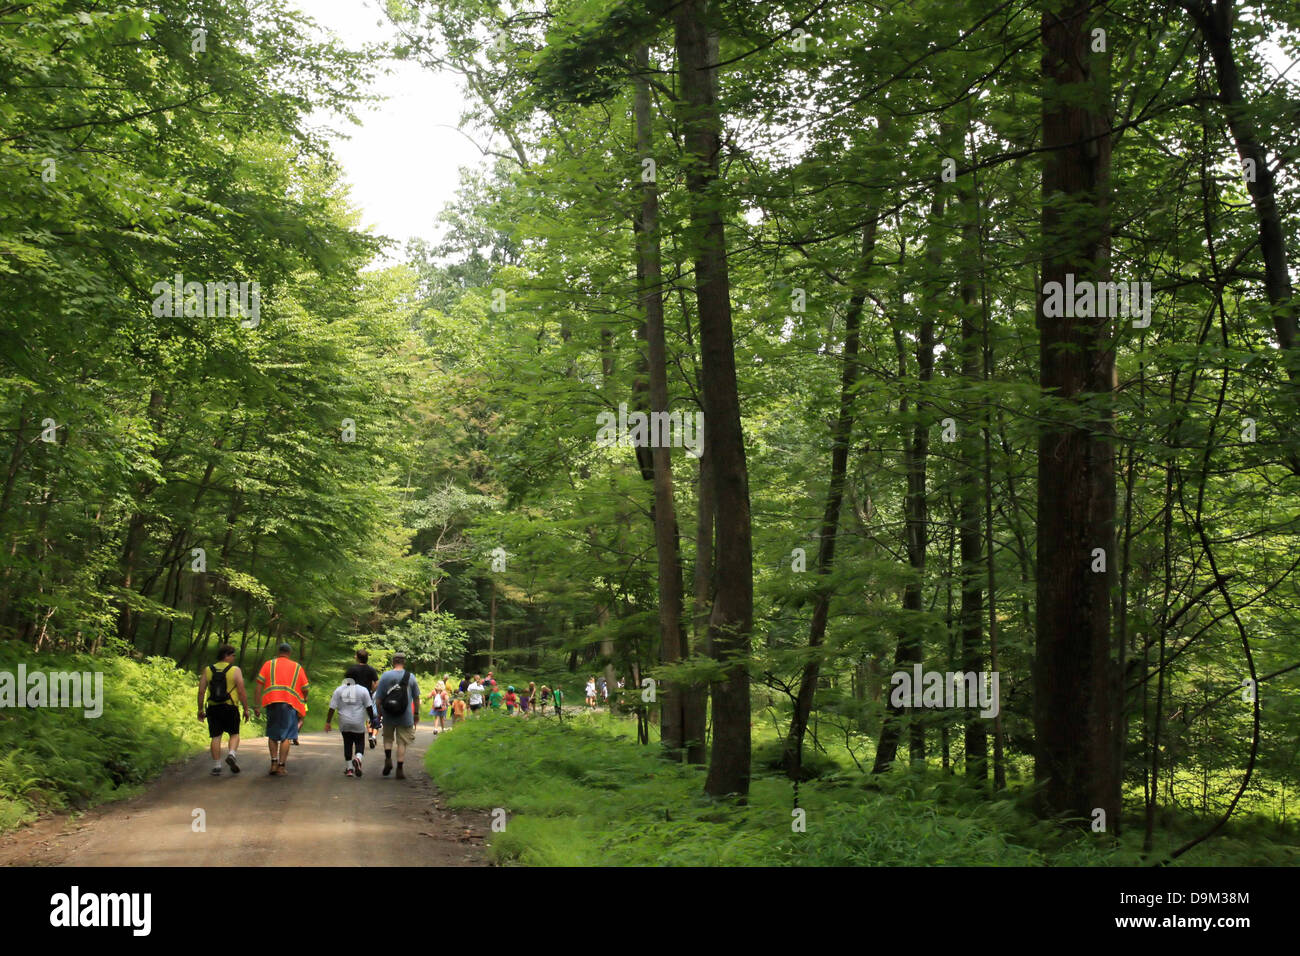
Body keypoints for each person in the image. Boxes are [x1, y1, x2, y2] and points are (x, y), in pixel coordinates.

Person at [254, 643, 309, 776]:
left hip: (272, 702)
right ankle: (281, 766)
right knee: (286, 736)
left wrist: (257, 705)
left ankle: (273, 763)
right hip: (289, 704)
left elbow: (258, 686)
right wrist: (304, 699)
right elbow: (305, 688)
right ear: (289, 653)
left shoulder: (269, 664)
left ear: (279, 652)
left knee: (273, 733)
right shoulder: (297, 667)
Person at [197, 644, 250, 775]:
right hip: (230, 706)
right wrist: (246, 709)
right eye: (232, 655)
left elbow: (201, 691)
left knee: (215, 736)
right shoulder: (235, 670)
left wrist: (200, 709)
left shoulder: (208, 670)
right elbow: (242, 691)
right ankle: (231, 754)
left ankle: (216, 766)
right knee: (234, 733)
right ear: (226, 655)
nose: (233, 658)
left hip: (213, 707)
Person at [373, 652, 420, 779]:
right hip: (405, 715)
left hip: (388, 712)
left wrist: (379, 713)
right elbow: (416, 698)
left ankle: (388, 759)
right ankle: (400, 768)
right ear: (404, 662)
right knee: (402, 742)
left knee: (388, 739)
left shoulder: (385, 676)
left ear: (393, 662)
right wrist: (416, 713)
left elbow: (378, 698)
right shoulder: (411, 677)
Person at [324, 675, 377, 777]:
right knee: (359, 743)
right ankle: (358, 758)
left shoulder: (339, 690)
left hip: (344, 722)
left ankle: (349, 769)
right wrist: (372, 719)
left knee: (347, 743)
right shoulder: (363, 690)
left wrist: (328, 722)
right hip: (358, 722)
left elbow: (331, 708)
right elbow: (369, 707)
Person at [345, 649, 380, 749]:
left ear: (358, 657)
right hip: (366, 695)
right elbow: (377, 682)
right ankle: (371, 736)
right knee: (370, 715)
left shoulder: (351, 669)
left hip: (354, 696)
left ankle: (355, 737)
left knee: (355, 715)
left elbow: (347, 682)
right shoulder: (371, 669)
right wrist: (372, 691)